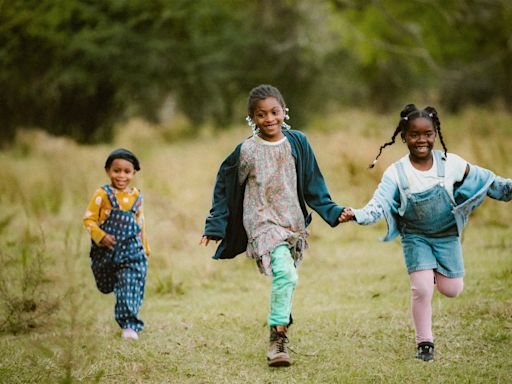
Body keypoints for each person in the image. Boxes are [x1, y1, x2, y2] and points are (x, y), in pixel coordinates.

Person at [339, 104, 511, 361]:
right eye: (414, 134)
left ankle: (431, 274)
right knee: (421, 288)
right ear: (404, 136)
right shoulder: (396, 173)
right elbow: (379, 204)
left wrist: (508, 189)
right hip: (415, 237)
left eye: (427, 134)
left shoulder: (450, 163)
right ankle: (425, 343)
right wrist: (357, 214)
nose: (421, 140)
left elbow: (486, 180)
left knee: (452, 289)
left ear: (435, 133)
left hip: (446, 235)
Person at [200, 84, 344, 367]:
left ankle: (281, 321)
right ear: (251, 118)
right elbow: (224, 185)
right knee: (287, 276)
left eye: (274, 112)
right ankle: (277, 339)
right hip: (262, 223)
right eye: (261, 114)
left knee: (285, 276)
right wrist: (215, 225)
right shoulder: (247, 151)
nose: (269, 119)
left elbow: (314, 183)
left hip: (292, 223)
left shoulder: (298, 142)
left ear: (284, 111)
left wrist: (334, 211)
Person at [83, 148, 150, 340]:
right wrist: (101, 236)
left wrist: (145, 248)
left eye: (127, 172)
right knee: (105, 285)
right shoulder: (102, 195)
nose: (121, 176)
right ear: (107, 171)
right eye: (116, 170)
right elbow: (88, 220)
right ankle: (116, 286)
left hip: (132, 251)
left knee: (129, 283)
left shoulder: (137, 196)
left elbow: (140, 223)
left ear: (133, 173)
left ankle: (129, 326)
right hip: (106, 252)